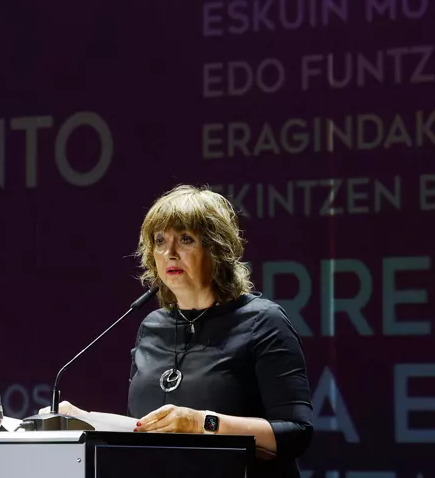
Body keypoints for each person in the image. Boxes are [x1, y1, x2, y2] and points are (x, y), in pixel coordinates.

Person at [43, 184, 314, 478]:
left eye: (186, 239)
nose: (169, 253)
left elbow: (296, 433)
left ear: (217, 249)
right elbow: (143, 431)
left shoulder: (263, 321)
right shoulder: (152, 327)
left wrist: (202, 423)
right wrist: (81, 420)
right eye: (160, 241)